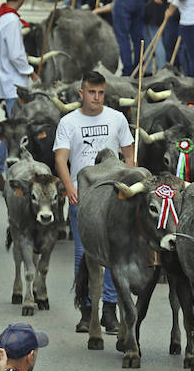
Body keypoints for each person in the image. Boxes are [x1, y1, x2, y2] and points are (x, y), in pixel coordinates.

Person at [53, 72, 134, 334]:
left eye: (100, 93)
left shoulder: (117, 118)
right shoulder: (68, 122)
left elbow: (129, 155)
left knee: (113, 254)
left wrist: (129, 184)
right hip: (83, 197)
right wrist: (69, 187)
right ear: (81, 93)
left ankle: (109, 310)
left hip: (113, 197)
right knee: (83, 254)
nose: (96, 98)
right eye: (91, 92)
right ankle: (87, 310)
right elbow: (60, 159)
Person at [0, 0, 36, 170]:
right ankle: (0, 167)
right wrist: (30, 72)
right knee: (14, 132)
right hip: (12, 82)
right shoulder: (10, 20)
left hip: (4, 78)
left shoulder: (1, 15)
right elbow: (16, 54)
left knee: (11, 130)